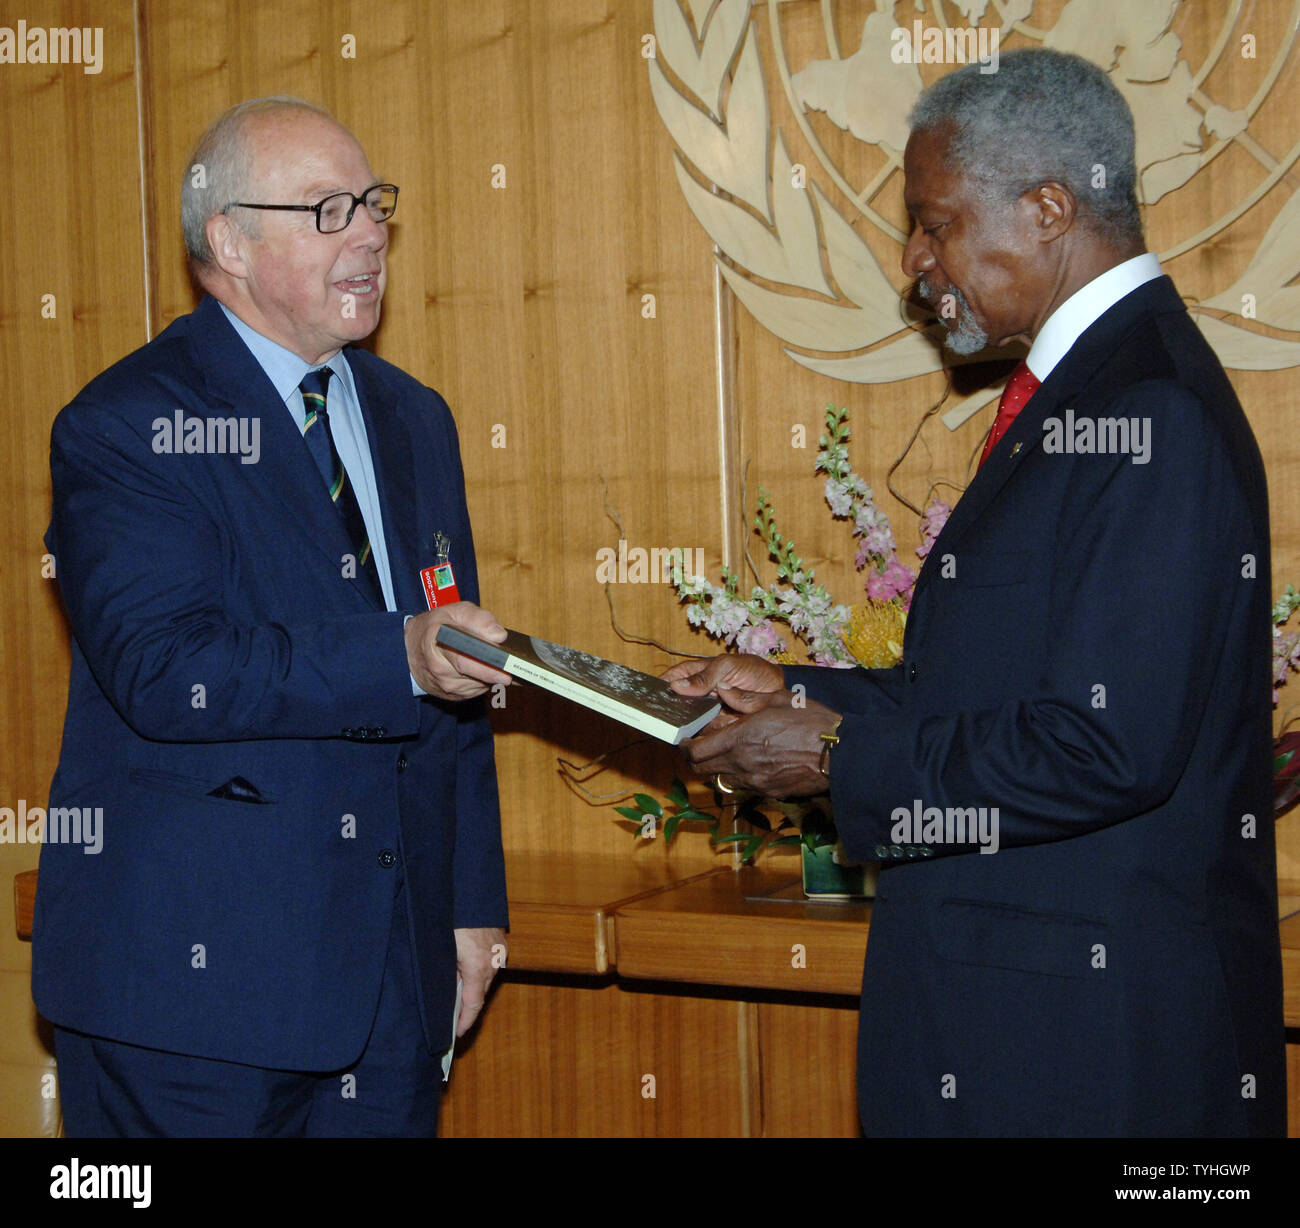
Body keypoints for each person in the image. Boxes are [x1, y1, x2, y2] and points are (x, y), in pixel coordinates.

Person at [667, 49, 1286, 1137]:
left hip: (1097, 1060)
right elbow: (990, 692)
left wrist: (833, 757)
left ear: (1048, 207)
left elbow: (1107, 746)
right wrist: (796, 693)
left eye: (933, 221)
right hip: (1020, 1035)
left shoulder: (1151, 412)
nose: (912, 259)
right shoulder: (1085, 391)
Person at [33, 97, 513, 1137]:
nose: (370, 233)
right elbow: (166, 668)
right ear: (229, 244)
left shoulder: (413, 418)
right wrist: (400, 656)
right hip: (190, 994)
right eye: (325, 209)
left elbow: (456, 678)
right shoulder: (128, 423)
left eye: (373, 204)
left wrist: (471, 909)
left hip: (390, 980)